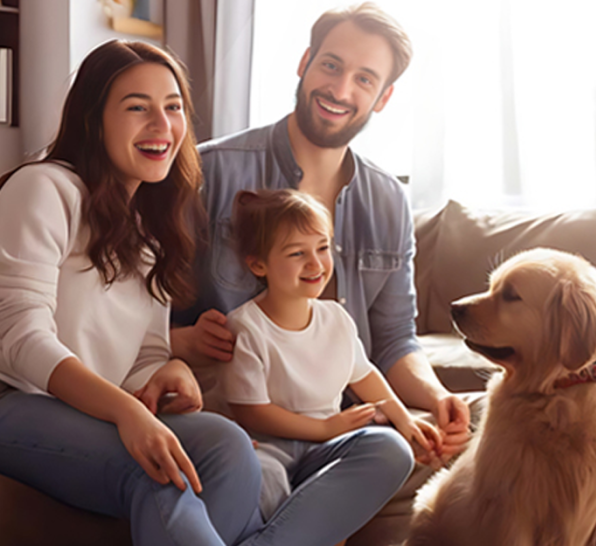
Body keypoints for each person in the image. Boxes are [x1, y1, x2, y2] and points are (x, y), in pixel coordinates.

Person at [170, 2, 471, 457]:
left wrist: (437, 398)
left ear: (383, 98)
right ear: (304, 63)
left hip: (351, 418)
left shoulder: (389, 202)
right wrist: (180, 342)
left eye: (365, 79)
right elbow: (137, 305)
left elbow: (393, 341)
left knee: (490, 418)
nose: (340, 88)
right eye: (331, 65)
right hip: (238, 418)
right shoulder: (210, 173)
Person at [0, 40, 263, 546]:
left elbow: (142, 352)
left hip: (87, 409)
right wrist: (128, 412)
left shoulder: (149, 230)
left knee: (230, 447)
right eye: (137, 108)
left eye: (173, 107)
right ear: (92, 120)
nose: (162, 126)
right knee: (159, 472)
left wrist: (169, 371)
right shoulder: (43, 188)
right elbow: (19, 338)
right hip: (15, 400)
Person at [221, 188, 433, 537]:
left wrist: (404, 419)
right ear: (259, 264)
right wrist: (324, 428)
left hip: (327, 449)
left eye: (322, 248)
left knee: (391, 449)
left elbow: (364, 377)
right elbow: (250, 411)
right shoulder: (246, 326)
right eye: (296, 253)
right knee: (263, 478)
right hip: (268, 448)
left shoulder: (335, 317)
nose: (316, 264)